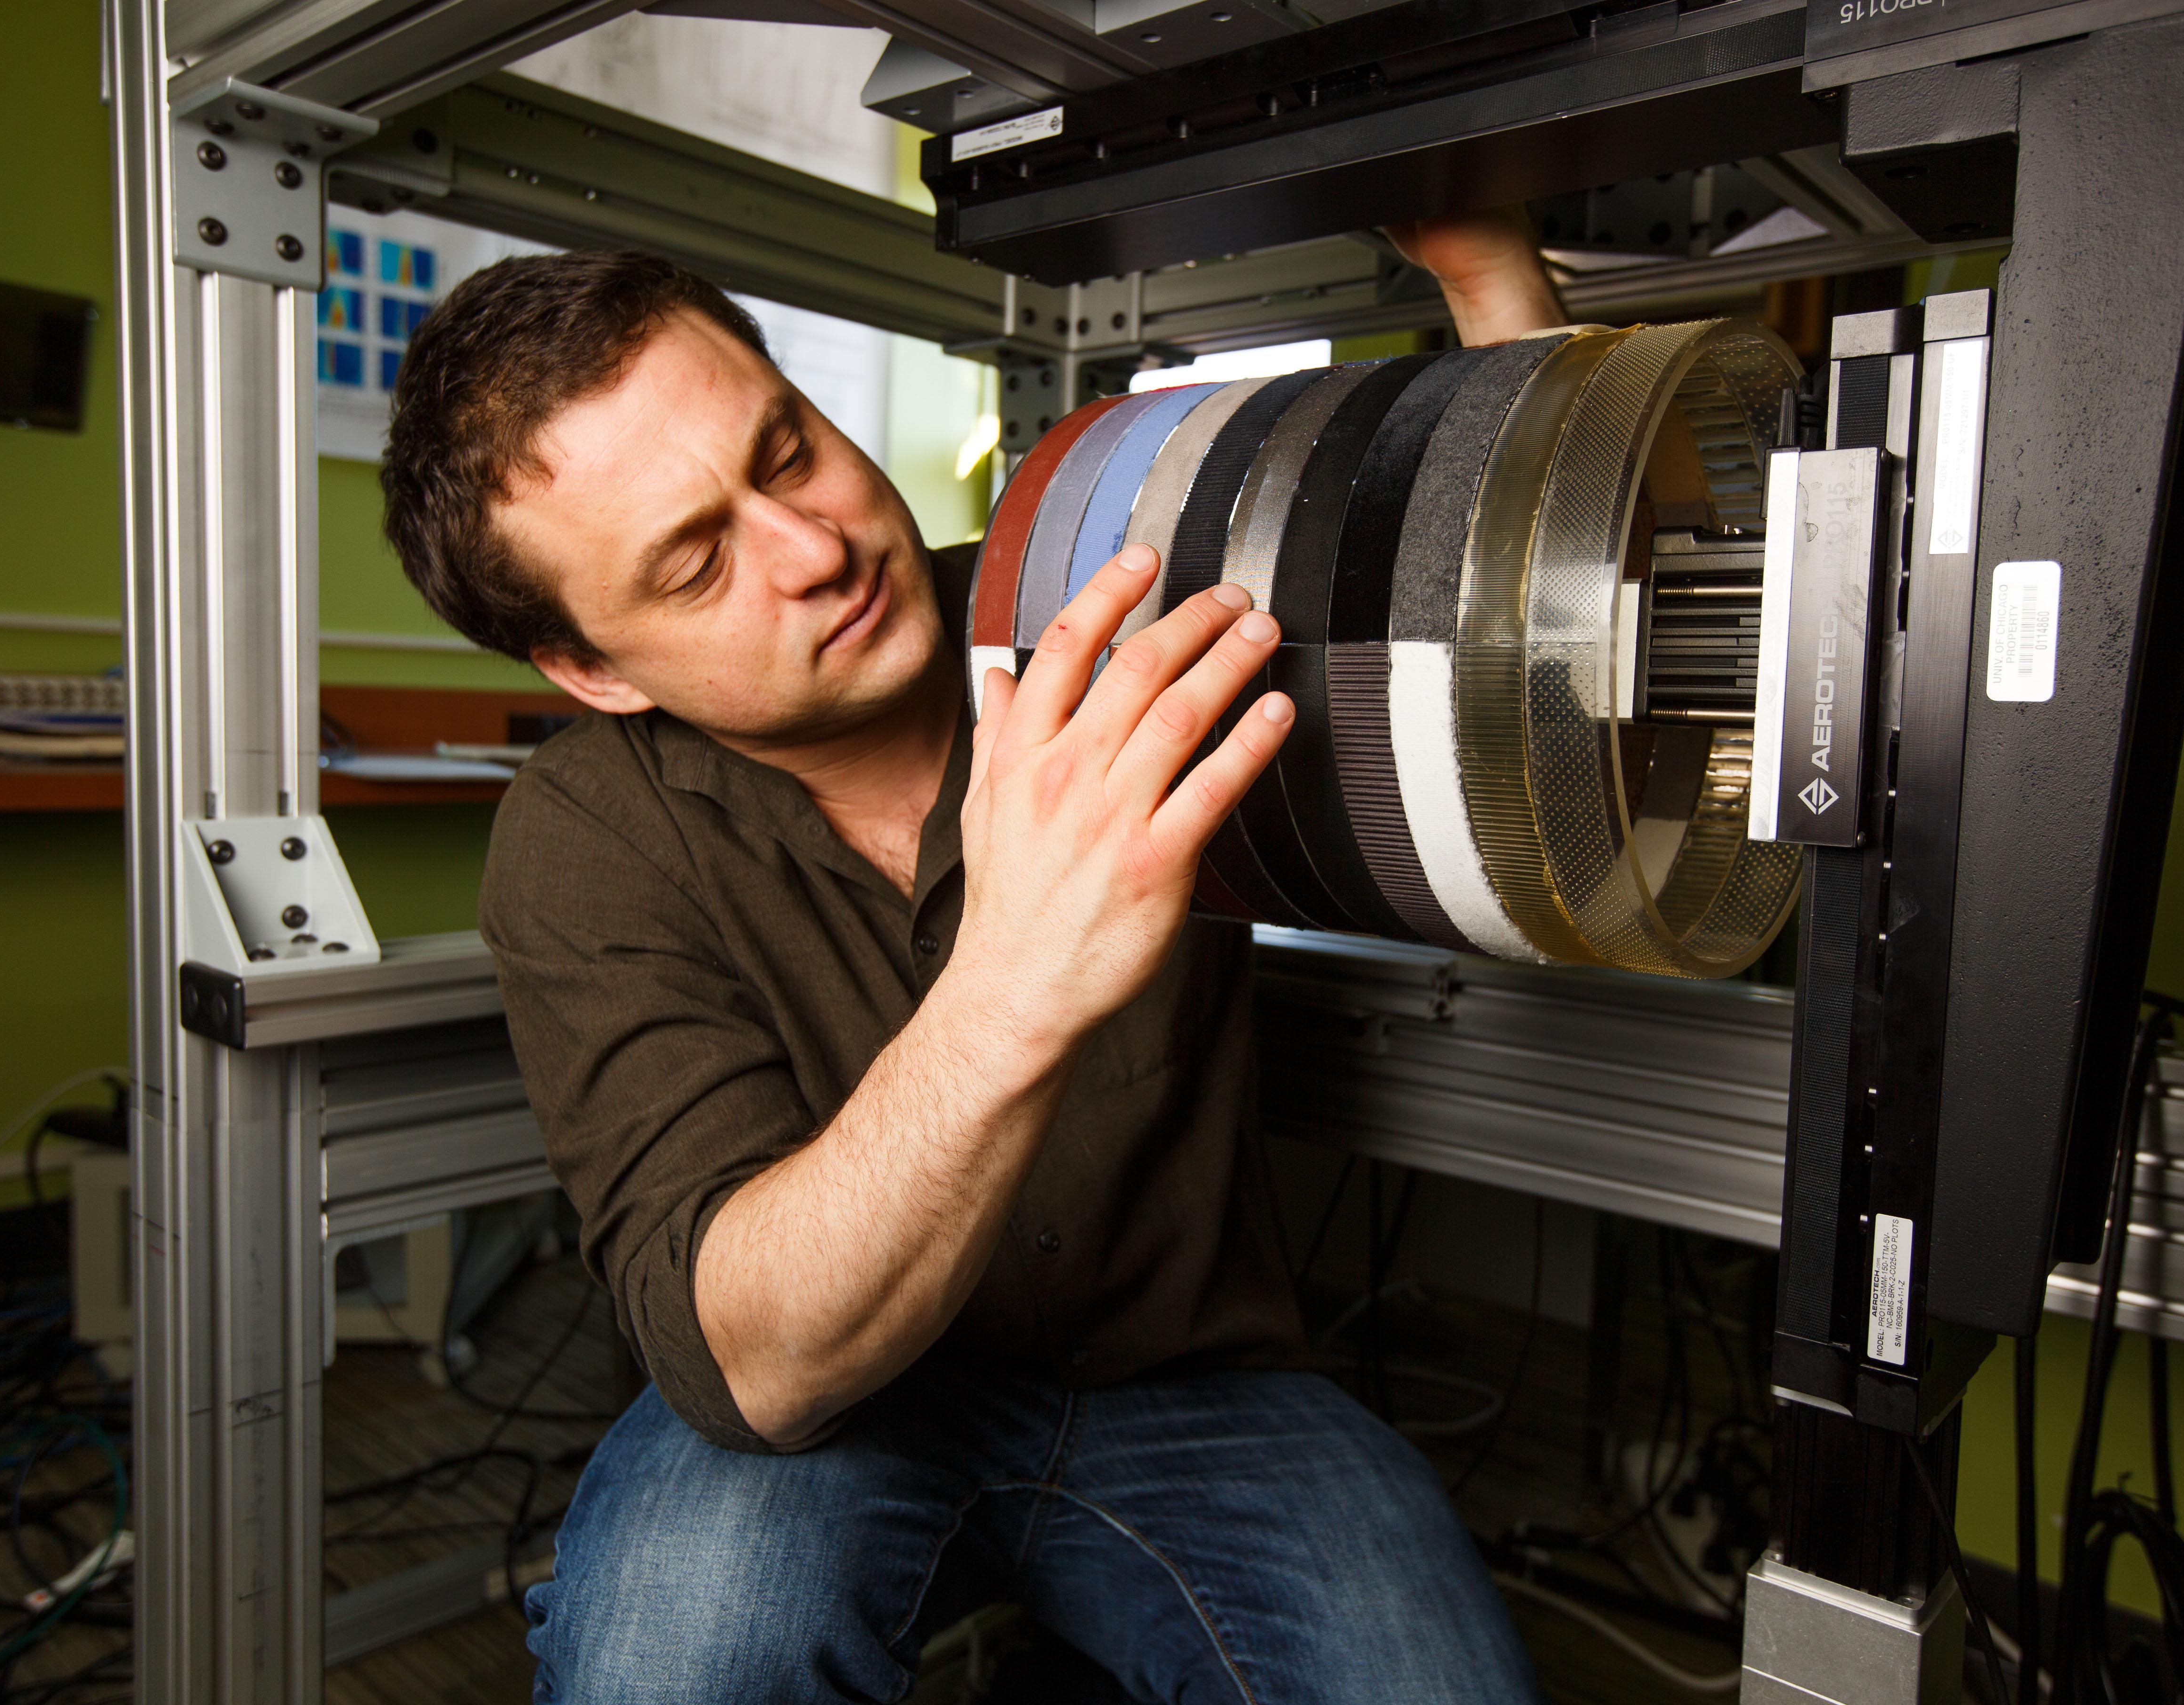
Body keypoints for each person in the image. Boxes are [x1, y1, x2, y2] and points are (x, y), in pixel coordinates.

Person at [380, 206, 1567, 1704]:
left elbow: (1509, 617)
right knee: (677, 1663)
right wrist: (1016, 980)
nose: (814, 550)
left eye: (787, 449)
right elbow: (749, 1355)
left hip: (1198, 1380)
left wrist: (1483, 274)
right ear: (594, 668)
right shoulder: (582, 840)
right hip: (834, 1418)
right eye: (695, 564)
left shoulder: (1090, 585)